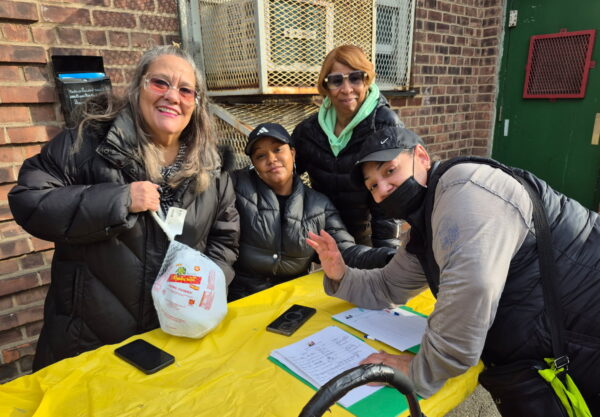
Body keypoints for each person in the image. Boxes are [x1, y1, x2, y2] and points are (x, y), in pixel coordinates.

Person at [307, 125, 600, 414]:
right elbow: (387, 286)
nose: (383, 188)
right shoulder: (427, 223)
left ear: (421, 156)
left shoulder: (464, 188)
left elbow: (473, 287)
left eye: (389, 171)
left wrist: (420, 371)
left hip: (584, 333)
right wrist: (341, 274)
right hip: (548, 351)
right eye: (373, 185)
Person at [8, 45, 240, 370]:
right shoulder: (87, 142)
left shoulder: (212, 168)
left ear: (196, 104)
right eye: (160, 83)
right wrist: (120, 199)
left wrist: (204, 287)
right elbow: (29, 199)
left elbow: (225, 240)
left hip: (175, 339)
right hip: (88, 345)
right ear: (138, 87)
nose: (173, 96)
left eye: (186, 90)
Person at [228, 123, 395, 301]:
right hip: (240, 302)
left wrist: (388, 257)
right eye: (261, 155)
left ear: (292, 153)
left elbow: (345, 251)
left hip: (293, 303)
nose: (271, 159)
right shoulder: (235, 187)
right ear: (254, 164)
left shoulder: (318, 205)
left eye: (278, 150)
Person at [292, 44, 403, 249]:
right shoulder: (308, 131)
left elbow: (391, 197)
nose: (346, 89)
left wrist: (385, 255)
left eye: (355, 78)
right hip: (323, 236)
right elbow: (286, 178)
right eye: (336, 80)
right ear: (325, 87)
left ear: (367, 80)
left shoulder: (384, 125)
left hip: (367, 240)